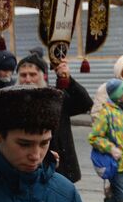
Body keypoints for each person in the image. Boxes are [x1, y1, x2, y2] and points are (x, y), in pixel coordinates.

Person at [15, 53, 88, 184]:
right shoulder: (11, 100)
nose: (28, 79)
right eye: (23, 75)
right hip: (26, 167)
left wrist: (68, 79)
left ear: (43, 76)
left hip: (61, 168)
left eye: (32, 74)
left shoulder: (56, 96)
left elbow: (85, 104)